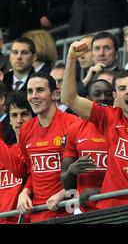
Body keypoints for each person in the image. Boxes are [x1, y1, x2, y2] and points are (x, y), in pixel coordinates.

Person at [62, 43, 128, 210]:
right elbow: (69, 99)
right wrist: (71, 59)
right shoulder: (109, 117)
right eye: (122, 88)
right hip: (110, 208)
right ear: (115, 96)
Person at [15, 72, 81, 223]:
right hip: (37, 212)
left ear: (53, 94)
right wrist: (25, 191)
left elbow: (83, 170)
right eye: (30, 91)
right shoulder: (26, 129)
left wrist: (63, 193)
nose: (34, 96)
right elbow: (32, 169)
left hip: (67, 210)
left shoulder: (72, 123)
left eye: (40, 90)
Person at [60, 79, 113, 212]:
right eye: (98, 94)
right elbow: (66, 184)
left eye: (108, 94)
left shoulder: (122, 127)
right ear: (88, 100)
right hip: (84, 210)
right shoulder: (74, 130)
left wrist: (101, 192)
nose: (104, 98)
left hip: (117, 206)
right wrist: (71, 171)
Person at [0, 91, 33, 224]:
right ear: (9, 120)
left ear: (33, 117)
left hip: (21, 219)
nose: (19, 120)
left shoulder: (37, 149)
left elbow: (18, 170)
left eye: (24, 114)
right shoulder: (6, 150)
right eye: (14, 115)